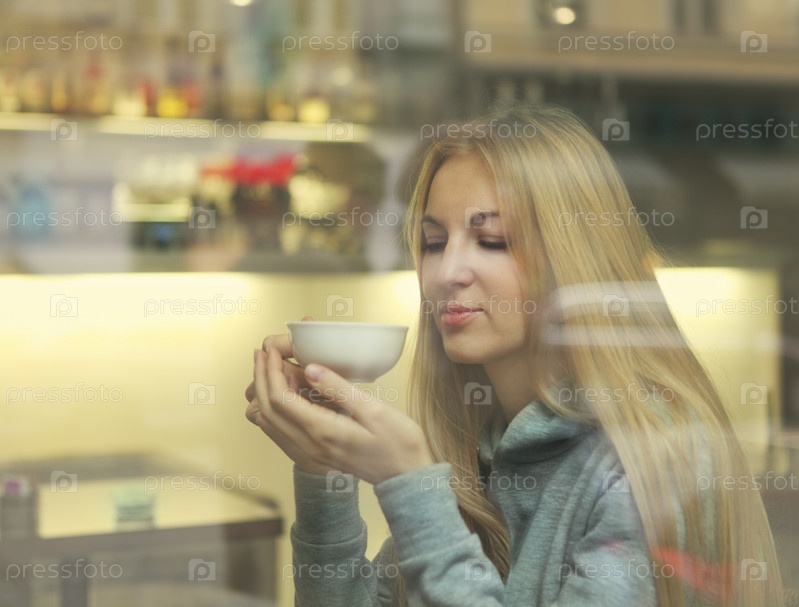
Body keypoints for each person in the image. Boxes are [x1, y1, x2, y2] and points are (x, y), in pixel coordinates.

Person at [244, 105, 783, 606]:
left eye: (493, 240)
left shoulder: (658, 457)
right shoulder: (483, 448)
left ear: (574, 259)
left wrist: (409, 483)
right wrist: (325, 472)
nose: (446, 272)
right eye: (434, 242)